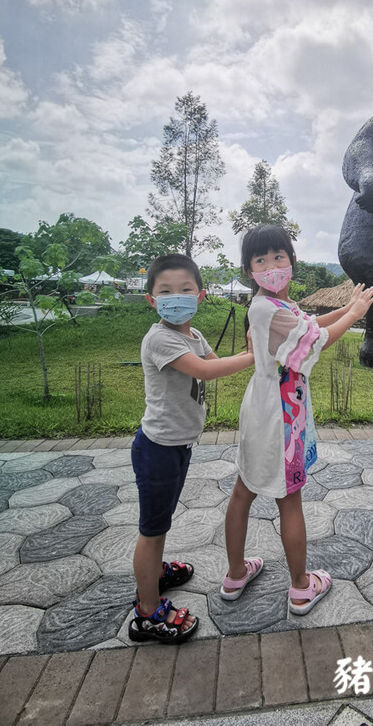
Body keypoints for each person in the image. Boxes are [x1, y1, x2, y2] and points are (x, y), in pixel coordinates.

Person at [221, 225, 373, 615]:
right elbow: (318, 341)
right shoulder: (267, 308)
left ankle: (236, 574)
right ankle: (301, 587)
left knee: (244, 491)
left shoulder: (278, 307)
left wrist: (349, 308)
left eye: (279, 256)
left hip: (264, 411)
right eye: (261, 260)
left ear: (292, 260)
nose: (272, 265)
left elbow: (311, 325)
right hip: (279, 420)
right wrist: (355, 314)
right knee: (289, 500)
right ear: (249, 269)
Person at [129, 252, 254, 644]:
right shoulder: (160, 338)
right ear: (151, 299)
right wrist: (253, 356)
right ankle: (147, 613)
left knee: (160, 520)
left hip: (177, 446)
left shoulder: (193, 335)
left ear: (200, 296)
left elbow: (214, 361)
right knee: (152, 529)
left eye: (185, 290)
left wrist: (248, 348)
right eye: (166, 291)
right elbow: (204, 370)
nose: (176, 297)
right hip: (158, 449)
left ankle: (156, 573)